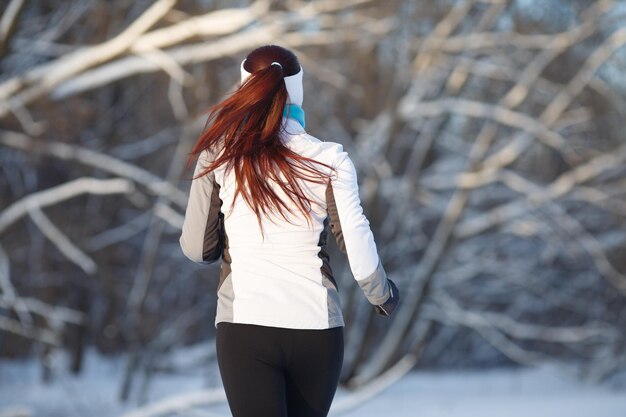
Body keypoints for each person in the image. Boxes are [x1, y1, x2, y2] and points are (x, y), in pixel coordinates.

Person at [179, 44, 399, 417]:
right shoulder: (331, 158)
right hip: (316, 329)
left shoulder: (219, 153)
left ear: (245, 88)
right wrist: (383, 295)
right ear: (296, 93)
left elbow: (197, 249)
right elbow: (359, 253)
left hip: (246, 329)